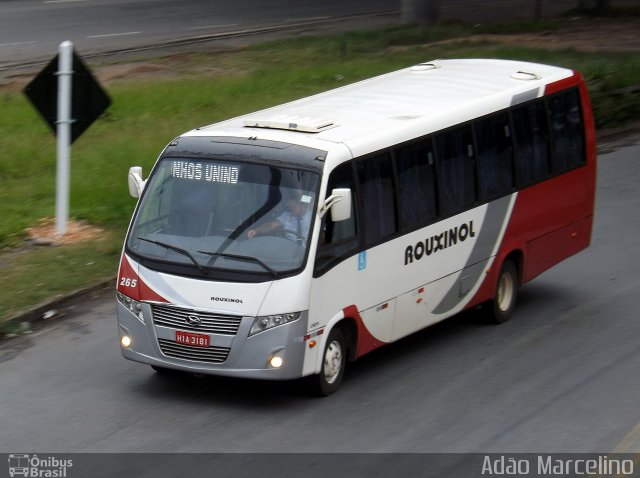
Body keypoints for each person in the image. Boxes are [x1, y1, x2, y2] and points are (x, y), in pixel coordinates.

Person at [247, 193, 312, 240]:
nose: (290, 209)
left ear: (301, 205)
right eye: (289, 207)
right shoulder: (286, 216)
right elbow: (271, 225)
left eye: (292, 206)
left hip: (305, 251)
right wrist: (256, 231)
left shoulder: (313, 218)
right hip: (288, 247)